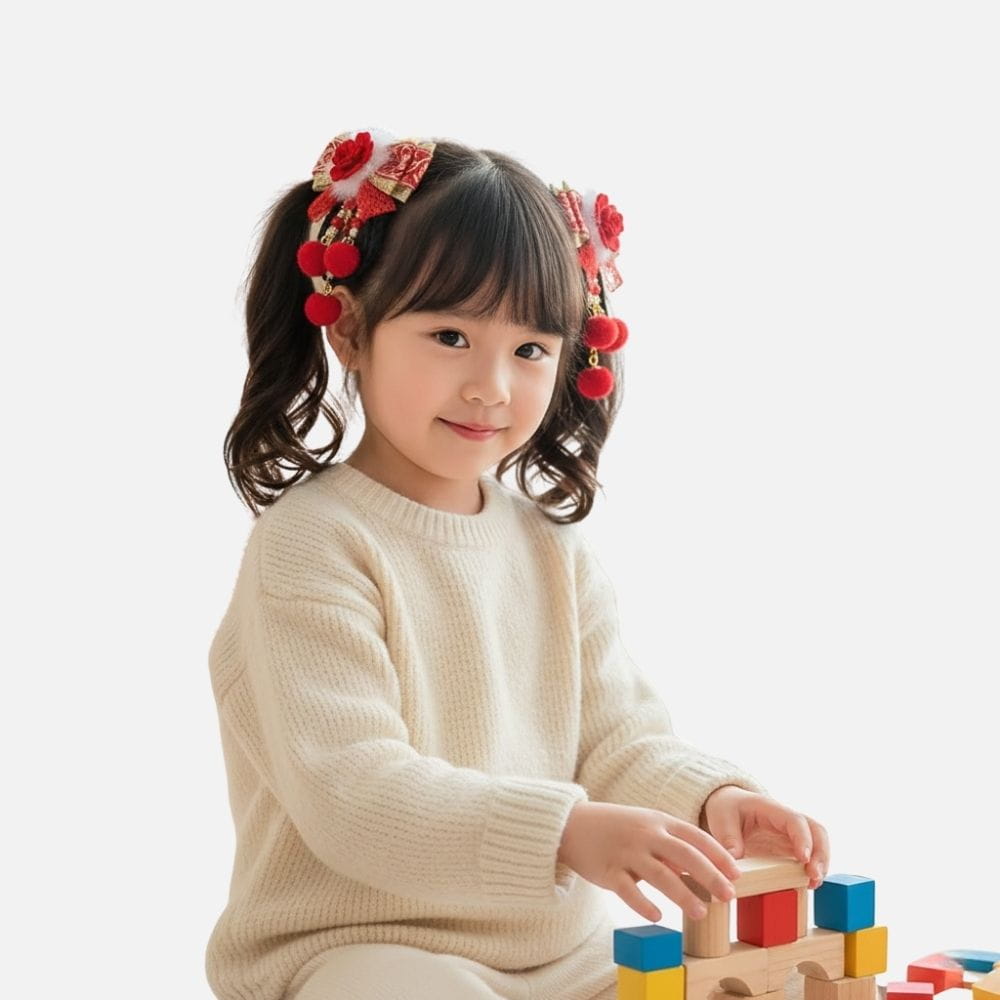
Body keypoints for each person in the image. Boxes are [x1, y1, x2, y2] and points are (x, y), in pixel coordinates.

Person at [204, 128, 831, 1000]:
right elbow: (352, 790)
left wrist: (708, 801)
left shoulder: (552, 551)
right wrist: (566, 833)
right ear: (350, 330)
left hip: (561, 966)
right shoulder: (313, 543)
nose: (492, 385)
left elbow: (616, 739)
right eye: (451, 335)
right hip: (357, 950)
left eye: (531, 349)